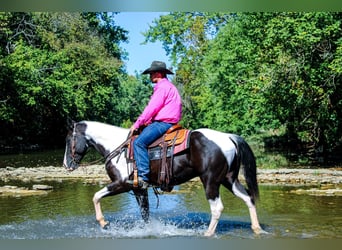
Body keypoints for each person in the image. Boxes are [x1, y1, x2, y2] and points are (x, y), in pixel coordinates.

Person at [127, 61, 182, 189]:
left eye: (151, 73)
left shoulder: (162, 87)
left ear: (158, 73)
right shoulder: (170, 86)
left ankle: (143, 178)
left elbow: (152, 108)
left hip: (163, 123)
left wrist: (137, 124)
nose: (150, 76)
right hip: (171, 121)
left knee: (139, 143)